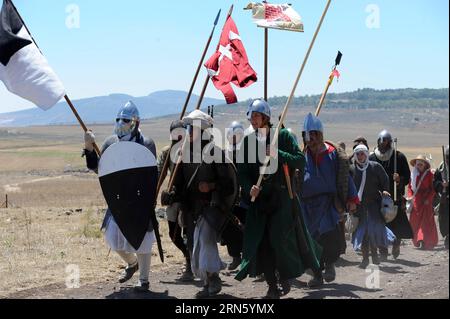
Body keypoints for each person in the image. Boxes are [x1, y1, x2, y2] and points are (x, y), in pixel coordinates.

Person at [235, 101, 322, 298]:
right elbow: (243, 173)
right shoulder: (248, 142)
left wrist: (277, 153)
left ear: (265, 117)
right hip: (260, 201)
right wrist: (250, 188)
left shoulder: (282, 136)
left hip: (283, 198)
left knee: (283, 240)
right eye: (251, 116)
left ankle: (288, 275)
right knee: (262, 243)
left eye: (257, 116)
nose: (253, 120)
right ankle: (272, 286)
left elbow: (299, 159)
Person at [161, 110, 237, 298]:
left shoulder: (214, 153)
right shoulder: (182, 153)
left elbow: (228, 185)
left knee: (206, 240)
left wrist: (210, 185)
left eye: (191, 128)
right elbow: (179, 184)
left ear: (202, 130)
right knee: (194, 246)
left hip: (211, 206)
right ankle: (207, 280)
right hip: (191, 209)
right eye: (187, 128)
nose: (187, 132)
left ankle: (213, 278)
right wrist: (170, 195)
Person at [83, 101, 157, 292]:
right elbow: (98, 169)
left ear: (135, 122)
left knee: (143, 239)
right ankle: (132, 264)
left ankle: (144, 279)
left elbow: (150, 174)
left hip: (140, 198)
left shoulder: (146, 143)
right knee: (113, 237)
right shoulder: (110, 143)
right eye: (119, 119)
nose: (121, 123)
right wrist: (89, 148)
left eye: (125, 120)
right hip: (119, 198)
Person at [300, 113, 359, 287]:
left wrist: (351, 198)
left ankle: (330, 264)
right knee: (311, 240)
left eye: (314, 134)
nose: (311, 139)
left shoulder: (333, 154)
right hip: (307, 205)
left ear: (320, 134)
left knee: (330, 236)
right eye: (308, 135)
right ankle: (317, 274)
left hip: (328, 203)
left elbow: (344, 178)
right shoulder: (302, 155)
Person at [157, 120, 194, 281]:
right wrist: (157, 192)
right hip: (174, 197)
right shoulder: (167, 152)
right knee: (173, 235)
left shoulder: (193, 150)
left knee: (189, 234)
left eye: (181, 131)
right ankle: (189, 258)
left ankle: (190, 267)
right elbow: (160, 173)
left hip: (191, 198)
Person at [369, 130, 413, 260]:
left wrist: (400, 179)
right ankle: (382, 251)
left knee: (397, 225)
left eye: (386, 141)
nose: (384, 144)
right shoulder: (372, 158)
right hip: (378, 197)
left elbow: (407, 177)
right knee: (379, 224)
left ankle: (396, 244)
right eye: (382, 141)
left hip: (395, 196)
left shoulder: (398, 157)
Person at [350, 145, 396, 268]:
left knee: (374, 231)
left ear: (366, 154)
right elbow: (348, 186)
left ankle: (376, 254)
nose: (360, 156)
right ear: (355, 155)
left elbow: (385, 179)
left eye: (362, 154)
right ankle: (365, 259)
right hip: (359, 207)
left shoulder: (375, 167)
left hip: (374, 205)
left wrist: (385, 190)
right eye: (358, 154)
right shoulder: (352, 169)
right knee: (364, 233)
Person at [221, 121, 246, 271]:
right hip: (231, 197)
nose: (235, 138)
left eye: (238, 135)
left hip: (245, 197)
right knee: (230, 228)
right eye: (233, 135)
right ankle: (236, 256)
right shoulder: (224, 153)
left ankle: (248, 258)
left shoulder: (248, 152)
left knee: (246, 228)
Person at [407, 155, 438, 250]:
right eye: (418, 163)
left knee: (426, 221)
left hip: (426, 201)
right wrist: (410, 196)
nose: (419, 165)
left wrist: (428, 199)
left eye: (421, 163)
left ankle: (424, 240)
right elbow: (410, 187)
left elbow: (433, 189)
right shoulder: (413, 174)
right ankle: (418, 240)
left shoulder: (429, 175)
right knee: (415, 221)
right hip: (416, 200)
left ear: (425, 164)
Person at [433, 146, 449, 249]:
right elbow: (435, 182)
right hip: (445, 198)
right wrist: (441, 185)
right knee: (443, 219)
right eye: (447, 157)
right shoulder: (441, 167)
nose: (448, 160)